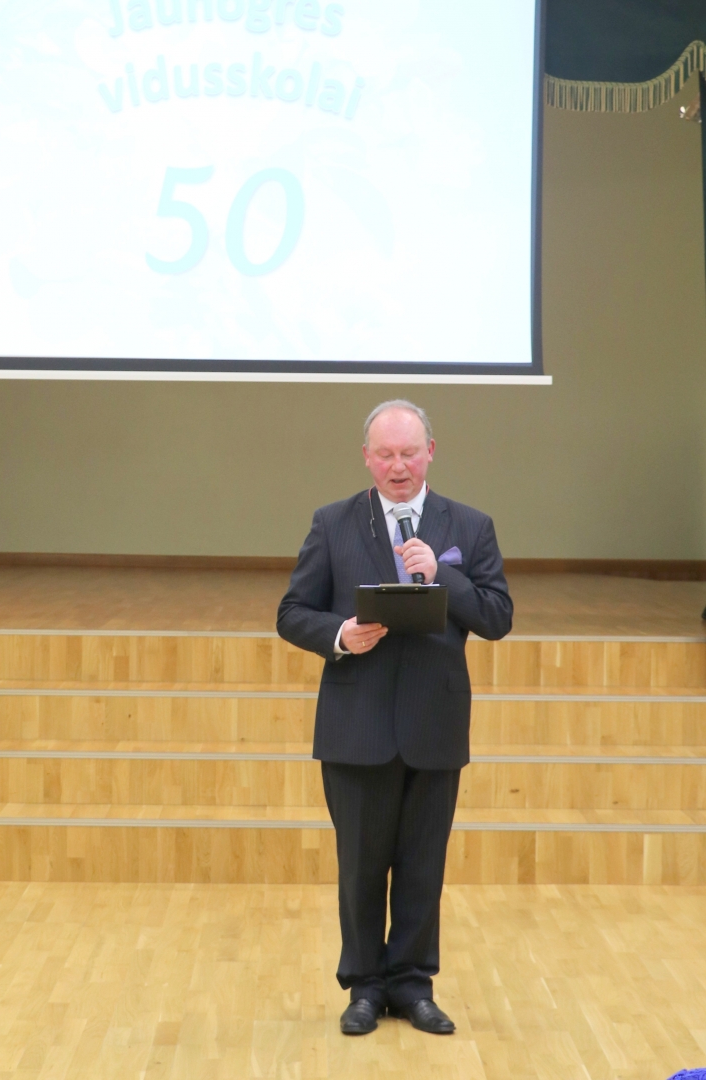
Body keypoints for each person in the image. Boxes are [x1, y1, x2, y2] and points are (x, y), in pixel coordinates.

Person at [277, 400, 513, 1036]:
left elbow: (497, 617)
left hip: (434, 724)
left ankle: (412, 985)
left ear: (430, 452)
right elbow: (292, 612)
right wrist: (340, 634)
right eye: (385, 454)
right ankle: (364, 986)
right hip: (357, 726)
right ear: (366, 458)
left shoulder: (470, 525)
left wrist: (444, 576)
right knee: (360, 866)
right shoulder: (333, 523)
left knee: (422, 866)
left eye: (409, 452)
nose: (398, 466)